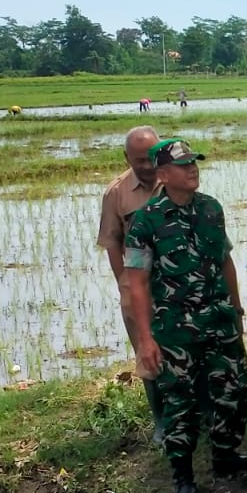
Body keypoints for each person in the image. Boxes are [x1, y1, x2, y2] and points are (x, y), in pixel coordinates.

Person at [123, 139, 247, 493]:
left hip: (219, 320)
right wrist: (146, 339)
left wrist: (236, 306)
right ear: (164, 175)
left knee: (236, 389)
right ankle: (183, 479)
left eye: (194, 163)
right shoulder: (146, 221)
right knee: (180, 404)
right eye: (183, 166)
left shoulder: (211, 209)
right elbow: (135, 283)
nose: (192, 170)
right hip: (175, 330)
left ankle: (226, 457)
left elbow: (226, 260)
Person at [99, 126, 166, 441]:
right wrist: (125, 284)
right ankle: (161, 421)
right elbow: (112, 243)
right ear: (127, 158)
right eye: (139, 160)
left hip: (178, 283)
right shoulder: (117, 193)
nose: (147, 165)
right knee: (147, 352)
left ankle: (198, 413)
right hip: (139, 287)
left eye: (151, 157)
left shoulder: (174, 179)